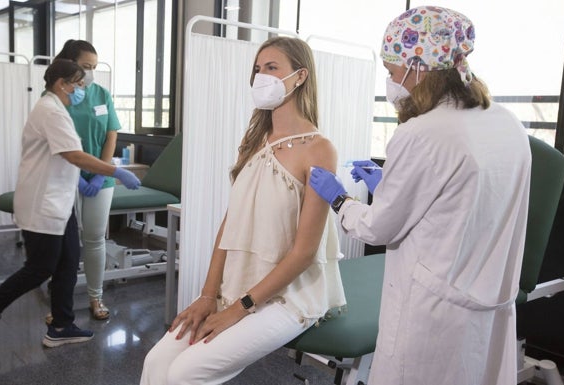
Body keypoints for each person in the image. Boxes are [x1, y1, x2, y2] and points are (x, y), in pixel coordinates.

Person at [309, 6, 531, 385]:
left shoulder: (420, 133)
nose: (391, 82)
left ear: (419, 68)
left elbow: (379, 230)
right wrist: (392, 186)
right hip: (488, 303)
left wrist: (340, 200)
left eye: (393, 72)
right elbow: (466, 200)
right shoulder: (506, 123)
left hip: (434, 311)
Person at [140, 37, 346, 385]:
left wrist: (239, 310)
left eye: (271, 67)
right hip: (237, 285)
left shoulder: (320, 150)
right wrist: (208, 295)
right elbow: (229, 225)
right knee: (157, 362)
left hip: (288, 296)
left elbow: (304, 253)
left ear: (299, 77)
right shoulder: (256, 142)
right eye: (257, 69)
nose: (260, 76)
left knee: (185, 374)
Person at [0, 59, 141, 348]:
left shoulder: (59, 109)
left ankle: (61, 326)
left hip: (60, 203)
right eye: (79, 83)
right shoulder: (50, 111)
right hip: (42, 205)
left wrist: (82, 180)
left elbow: (62, 156)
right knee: (41, 267)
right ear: (62, 83)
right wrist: (114, 171)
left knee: (69, 261)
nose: (82, 89)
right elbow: (74, 155)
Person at [54, 39, 121, 320]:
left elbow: (111, 134)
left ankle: (96, 298)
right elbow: (54, 140)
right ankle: (60, 306)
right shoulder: (59, 95)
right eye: (85, 66)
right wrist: (77, 177)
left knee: (94, 240)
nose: (90, 73)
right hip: (64, 177)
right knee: (64, 244)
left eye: (93, 67)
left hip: (100, 179)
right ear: (70, 65)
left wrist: (101, 172)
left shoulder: (101, 94)